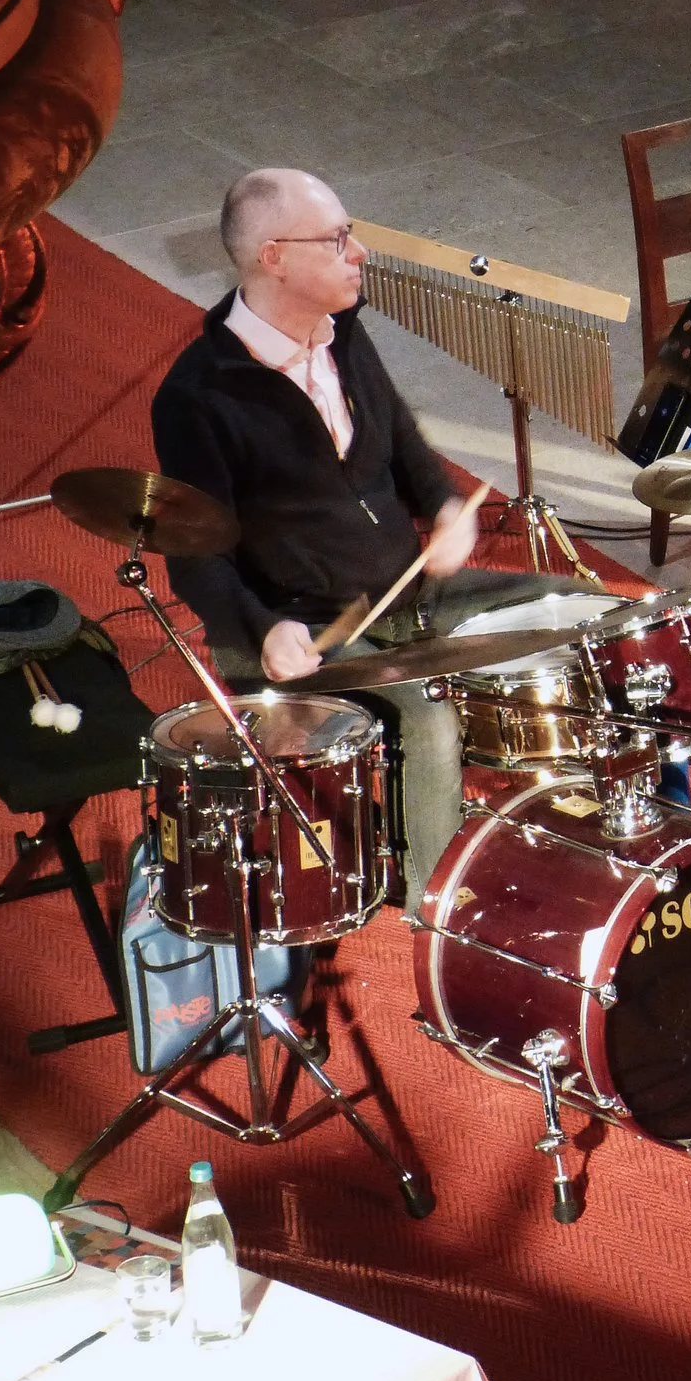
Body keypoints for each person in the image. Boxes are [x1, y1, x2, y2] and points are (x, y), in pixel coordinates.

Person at [152, 169, 575, 907]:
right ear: (275, 258)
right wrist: (263, 628)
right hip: (306, 626)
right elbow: (193, 558)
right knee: (427, 718)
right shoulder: (199, 395)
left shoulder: (343, 331)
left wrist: (445, 507)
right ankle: (434, 909)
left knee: (578, 615)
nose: (360, 252)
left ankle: (608, 836)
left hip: (413, 593)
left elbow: (404, 446)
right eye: (338, 239)